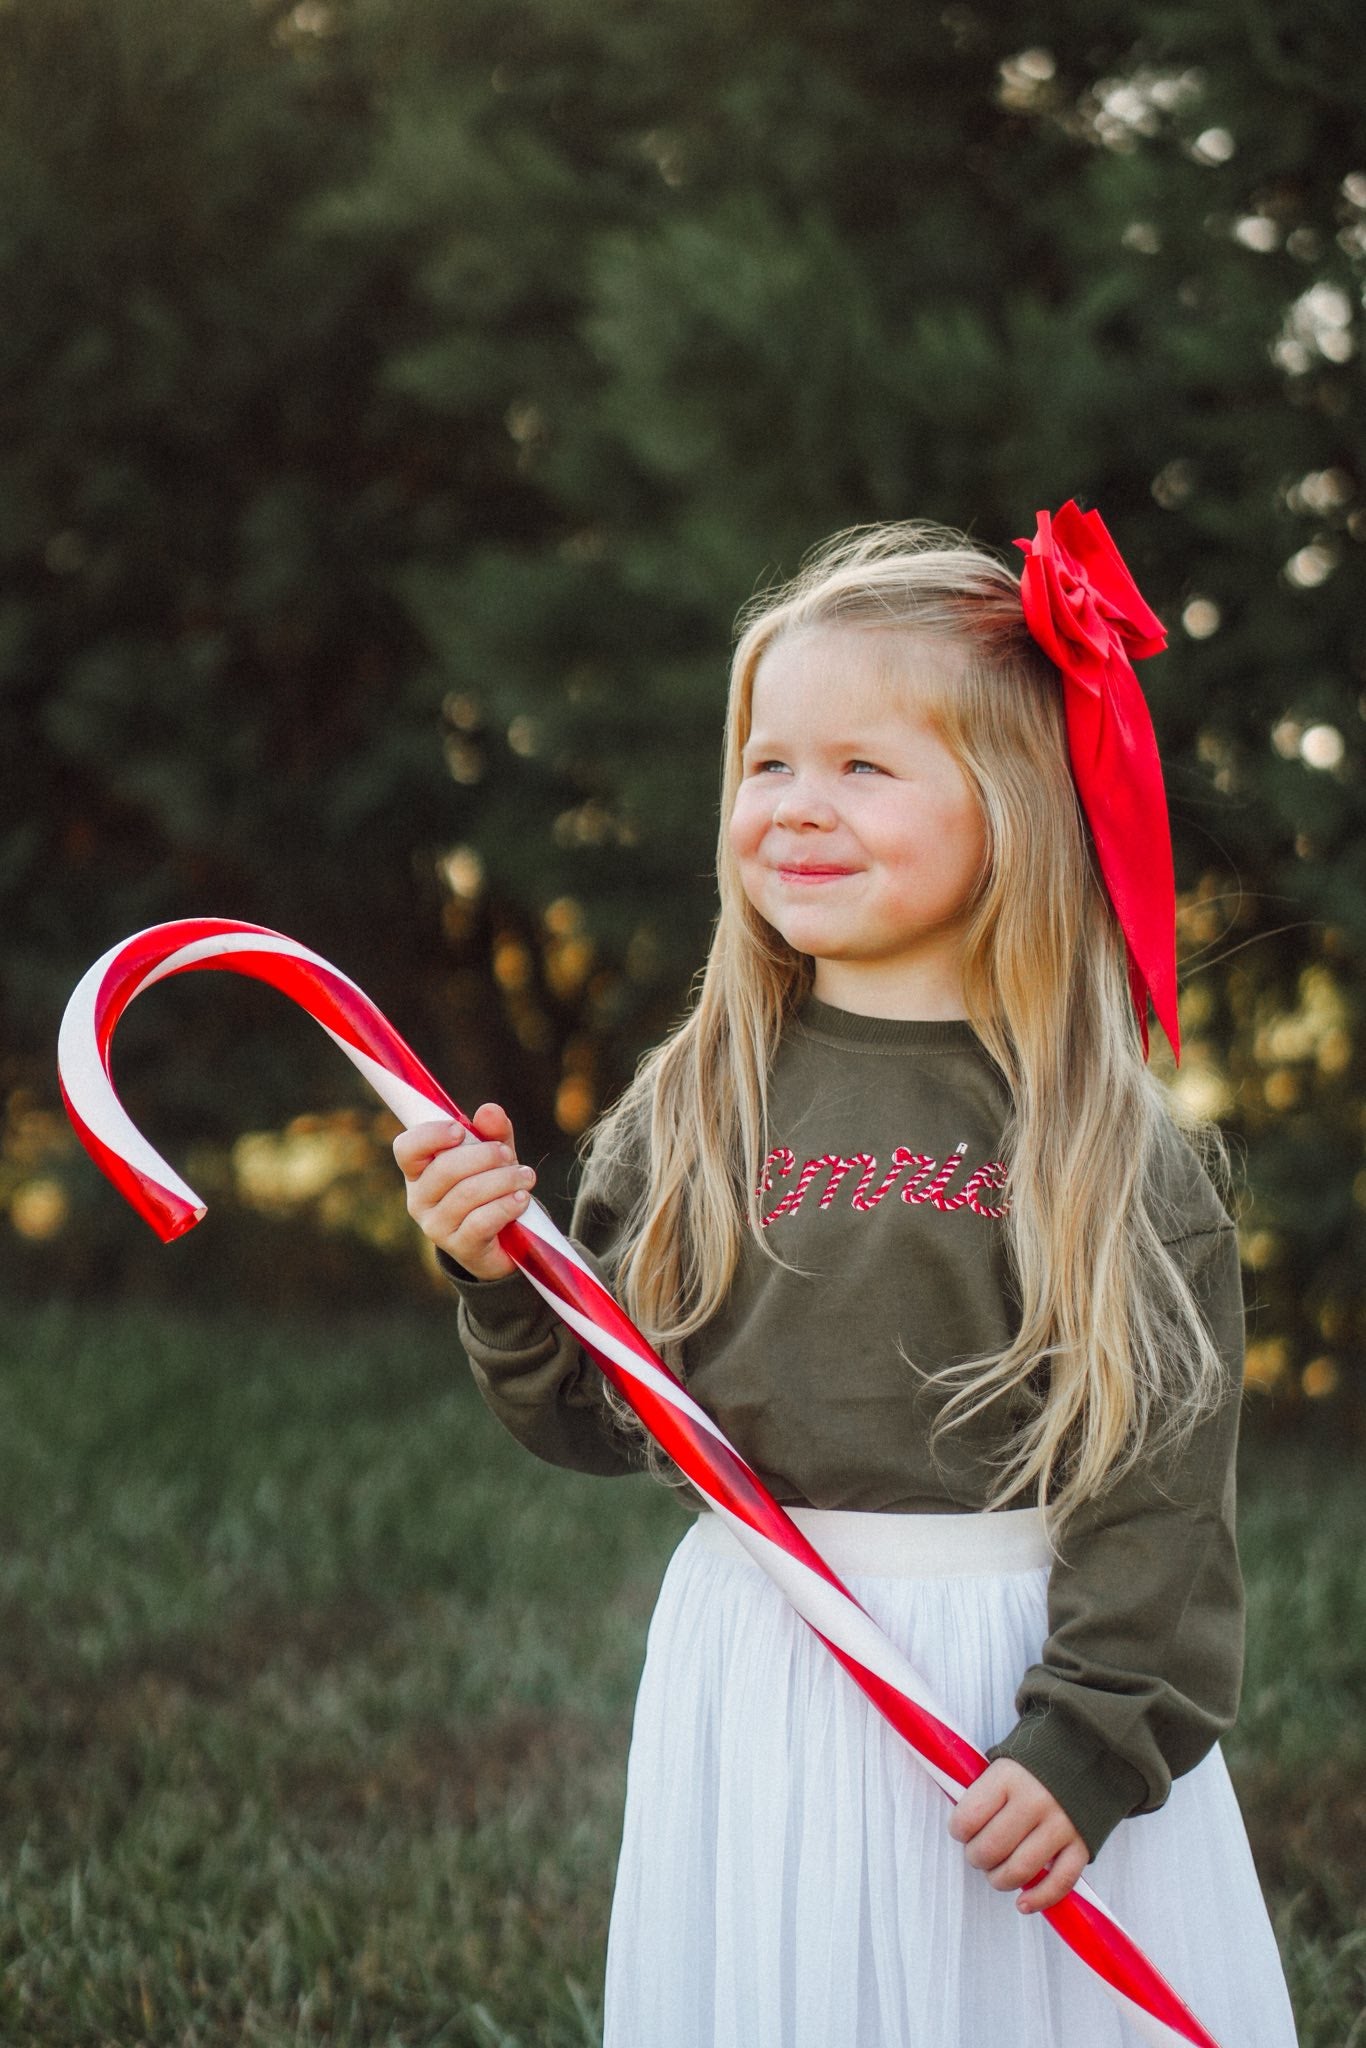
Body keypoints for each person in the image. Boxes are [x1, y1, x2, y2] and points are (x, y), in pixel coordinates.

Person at [395, 507, 1299, 2047]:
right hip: (766, 1665)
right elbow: (605, 1417)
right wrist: (499, 1275)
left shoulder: (1094, 1140)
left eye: (862, 768)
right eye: (768, 764)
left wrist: (1089, 1739)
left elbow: (1158, 1493)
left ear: (1011, 808)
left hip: (1014, 1676)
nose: (796, 807)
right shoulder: (697, 1099)